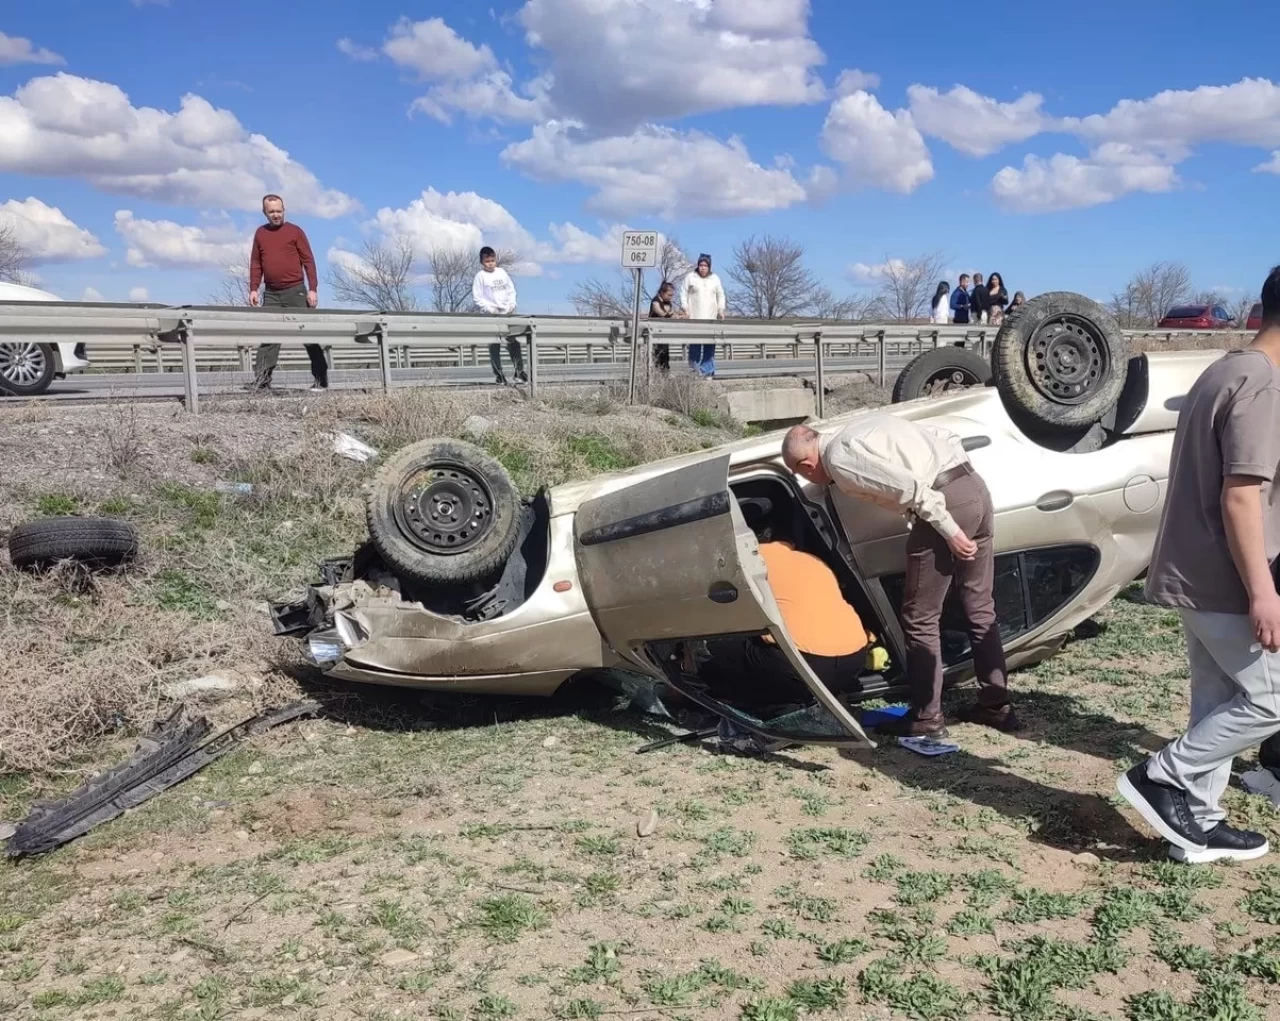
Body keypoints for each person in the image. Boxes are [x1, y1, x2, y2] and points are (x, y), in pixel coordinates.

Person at [1115, 265, 1280, 864]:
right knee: (1271, 699)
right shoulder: (1264, 385)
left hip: (1195, 568)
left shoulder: (1225, 368)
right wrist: (1264, 592)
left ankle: (1199, 825)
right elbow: (1242, 494)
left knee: (1217, 699)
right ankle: (1162, 775)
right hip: (1227, 573)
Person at [782, 416, 1019, 737]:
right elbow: (943, 435)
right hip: (972, 486)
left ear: (808, 464)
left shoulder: (838, 458)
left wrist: (949, 529)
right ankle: (996, 705)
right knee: (978, 603)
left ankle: (927, 717)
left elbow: (911, 488)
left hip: (944, 505)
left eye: (803, 473)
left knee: (920, 616)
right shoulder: (860, 429)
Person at [698, 503, 870, 709]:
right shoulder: (811, 559)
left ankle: (754, 703)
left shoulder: (746, 567)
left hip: (802, 667)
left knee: (716, 648)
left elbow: (727, 617)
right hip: (854, 660)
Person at [248, 194, 327, 392]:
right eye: (271, 211)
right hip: (272, 294)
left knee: (308, 336)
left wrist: (313, 289)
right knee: (269, 338)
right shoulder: (260, 234)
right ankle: (262, 382)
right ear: (265, 212)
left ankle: (321, 380)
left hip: (296, 291)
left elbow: (308, 260)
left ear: (284, 210)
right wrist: (254, 288)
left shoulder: (295, 231)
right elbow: (256, 263)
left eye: (279, 211)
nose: (276, 215)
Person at [472, 246, 526, 385]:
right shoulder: (480, 276)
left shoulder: (502, 272)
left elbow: (510, 289)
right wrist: (489, 309)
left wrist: (512, 304)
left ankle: (519, 372)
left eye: (492, 260)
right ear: (482, 261)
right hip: (492, 316)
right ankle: (499, 374)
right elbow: (477, 298)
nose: (490, 263)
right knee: (494, 345)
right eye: (487, 261)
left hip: (506, 314)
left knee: (513, 343)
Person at [680, 253, 726, 378]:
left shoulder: (715, 279)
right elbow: (683, 293)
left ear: (709, 267)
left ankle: (707, 371)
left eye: (705, 265)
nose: (703, 268)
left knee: (709, 345)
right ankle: (694, 370)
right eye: (700, 265)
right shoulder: (691, 277)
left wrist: (721, 310)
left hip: (710, 318)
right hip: (695, 318)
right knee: (695, 345)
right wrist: (685, 308)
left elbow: (721, 295)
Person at [648, 280, 686, 373]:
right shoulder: (655, 302)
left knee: (665, 354)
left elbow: (672, 314)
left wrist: (679, 315)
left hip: (663, 332)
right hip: (654, 333)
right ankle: (656, 374)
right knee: (657, 354)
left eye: (671, 295)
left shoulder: (668, 303)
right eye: (669, 295)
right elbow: (662, 314)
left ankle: (665, 374)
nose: (670, 297)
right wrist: (672, 314)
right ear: (662, 292)